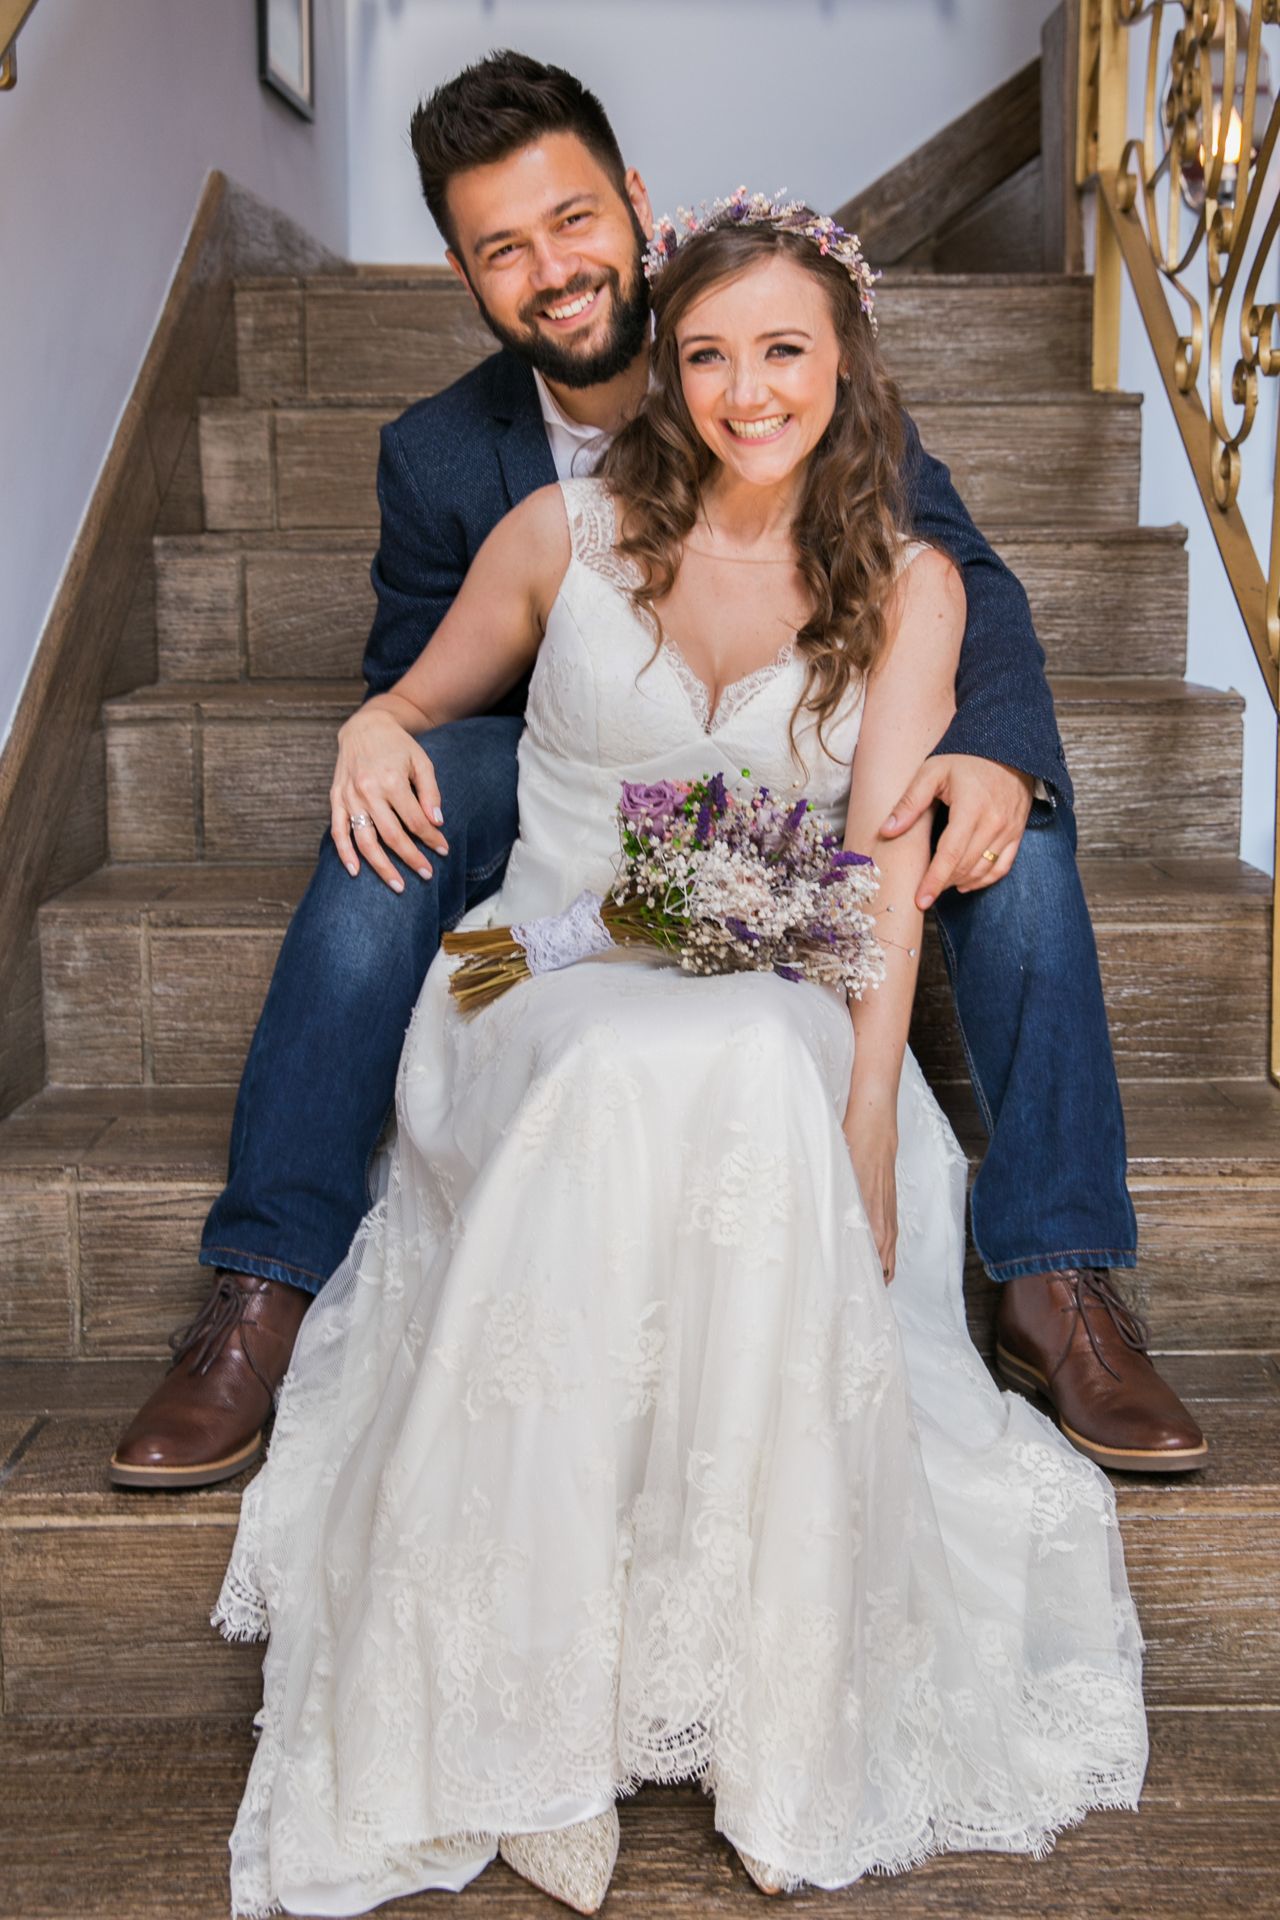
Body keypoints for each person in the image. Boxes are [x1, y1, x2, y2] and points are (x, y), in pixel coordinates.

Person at [213, 192, 1148, 1916]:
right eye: (708, 354)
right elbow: (417, 708)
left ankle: (755, 1693)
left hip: (769, 954)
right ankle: (518, 1706)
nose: (744, 388)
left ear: (843, 360)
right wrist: (366, 724)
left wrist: (873, 1105)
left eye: (782, 350)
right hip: (533, 950)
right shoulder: (559, 535)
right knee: (607, 1068)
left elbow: (872, 868)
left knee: (727, 1058)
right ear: (668, 368)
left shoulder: (914, 581)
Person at [108, 51, 1205, 1493]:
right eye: (503, 249)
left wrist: (992, 756)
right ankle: (261, 1285)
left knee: (1012, 835)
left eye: (572, 220)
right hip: (564, 760)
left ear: (635, 204)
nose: (551, 271)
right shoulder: (444, 458)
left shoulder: (788, 366)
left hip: (794, 776)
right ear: (465, 275)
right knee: (389, 826)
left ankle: (1058, 1276)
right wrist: (378, 730)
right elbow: (435, 683)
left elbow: (958, 585)